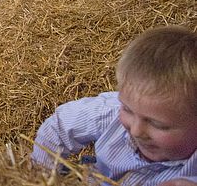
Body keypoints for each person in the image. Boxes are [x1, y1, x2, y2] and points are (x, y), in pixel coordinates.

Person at [31, 26, 197, 186]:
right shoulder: (110, 111)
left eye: (157, 124)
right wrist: (42, 176)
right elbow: (58, 127)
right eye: (127, 110)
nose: (136, 131)